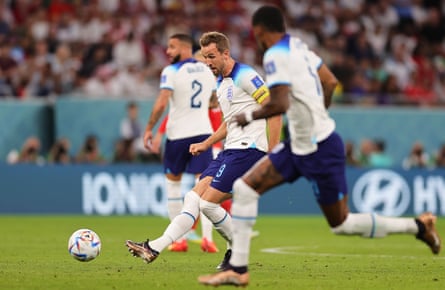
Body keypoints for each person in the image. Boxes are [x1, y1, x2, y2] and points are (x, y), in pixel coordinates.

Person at [198, 5, 441, 287]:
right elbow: (330, 81)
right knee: (244, 189)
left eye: (257, 33)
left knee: (342, 224)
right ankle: (238, 269)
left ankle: (418, 226)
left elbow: (278, 103)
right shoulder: (300, 47)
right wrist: (319, 115)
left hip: (320, 148)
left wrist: (249, 115)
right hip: (299, 144)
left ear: (261, 31)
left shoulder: (275, 54)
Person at [125, 31, 281, 267]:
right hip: (231, 150)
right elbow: (229, 122)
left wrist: (272, 151)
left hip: (249, 150)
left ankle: (236, 248)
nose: (207, 62)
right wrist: (207, 143)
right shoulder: (219, 82)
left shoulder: (246, 75)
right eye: (205, 57)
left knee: (208, 204)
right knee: (192, 197)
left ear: (225, 54)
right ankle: (154, 247)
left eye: (211, 56)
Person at [138, 33, 217, 252]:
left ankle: (178, 240)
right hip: (203, 133)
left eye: (171, 47)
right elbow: (213, 101)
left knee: (173, 185)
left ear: (184, 48)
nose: (168, 51)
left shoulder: (171, 71)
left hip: (177, 136)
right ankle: (208, 239)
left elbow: (162, 103)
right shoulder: (207, 69)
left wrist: (149, 129)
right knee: (205, 187)